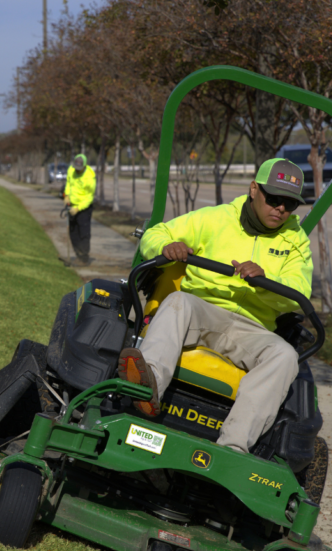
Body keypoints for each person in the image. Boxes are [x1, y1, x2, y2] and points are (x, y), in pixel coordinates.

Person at [119, 158, 312, 455]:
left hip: (253, 328)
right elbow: (156, 234)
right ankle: (147, 388)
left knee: (286, 355)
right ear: (253, 189)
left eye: (290, 204)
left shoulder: (296, 242)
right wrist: (166, 248)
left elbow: (299, 291)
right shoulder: (215, 218)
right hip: (202, 311)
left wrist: (266, 278)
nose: (281, 209)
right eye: (274, 199)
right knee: (179, 302)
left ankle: (233, 449)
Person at [63, 153, 96, 265]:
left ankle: (84, 257)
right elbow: (68, 183)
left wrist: (78, 208)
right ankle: (77, 253)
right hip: (71, 205)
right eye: (76, 168)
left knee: (84, 232)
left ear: (85, 166)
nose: (77, 170)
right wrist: (66, 195)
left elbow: (89, 198)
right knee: (73, 232)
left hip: (84, 209)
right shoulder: (71, 170)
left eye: (79, 169)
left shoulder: (89, 177)